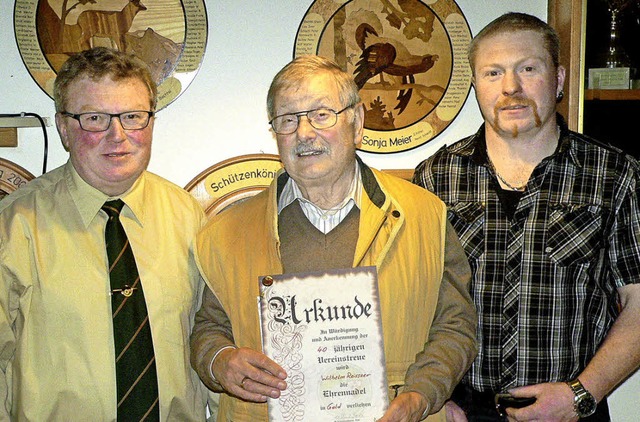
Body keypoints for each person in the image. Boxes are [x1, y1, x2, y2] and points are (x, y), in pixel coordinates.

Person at [189, 55, 478, 421]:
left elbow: (455, 326)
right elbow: (209, 328)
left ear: (356, 123)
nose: (304, 133)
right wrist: (220, 361)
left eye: (321, 114)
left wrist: (421, 394)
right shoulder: (225, 234)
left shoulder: (426, 216)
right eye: (287, 120)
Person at [413, 12, 640, 422]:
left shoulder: (616, 175)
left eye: (528, 69)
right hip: (459, 413)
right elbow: (411, 300)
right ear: (475, 85)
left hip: (572, 410)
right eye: (493, 72)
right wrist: (430, 396)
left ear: (559, 79)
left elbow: (639, 304)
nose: (510, 87)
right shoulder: (435, 177)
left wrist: (580, 396)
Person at [0, 47, 212, 420]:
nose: (118, 135)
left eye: (132, 116)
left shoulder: (190, 218)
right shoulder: (15, 226)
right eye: (95, 118)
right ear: (64, 127)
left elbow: (210, 338)